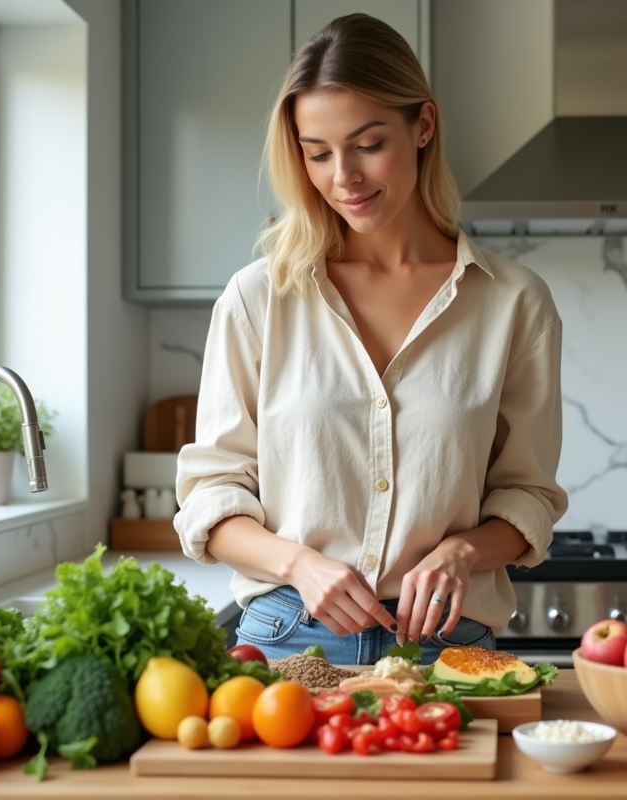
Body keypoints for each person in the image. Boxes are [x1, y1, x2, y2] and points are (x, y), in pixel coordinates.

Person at [174, 13, 567, 666]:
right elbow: (212, 500)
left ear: (424, 126)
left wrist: (461, 551)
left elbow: (526, 494)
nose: (344, 177)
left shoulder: (513, 303)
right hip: (286, 640)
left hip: (445, 646)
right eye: (318, 152)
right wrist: (300, 564)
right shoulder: (258, 298)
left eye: (367, 143)